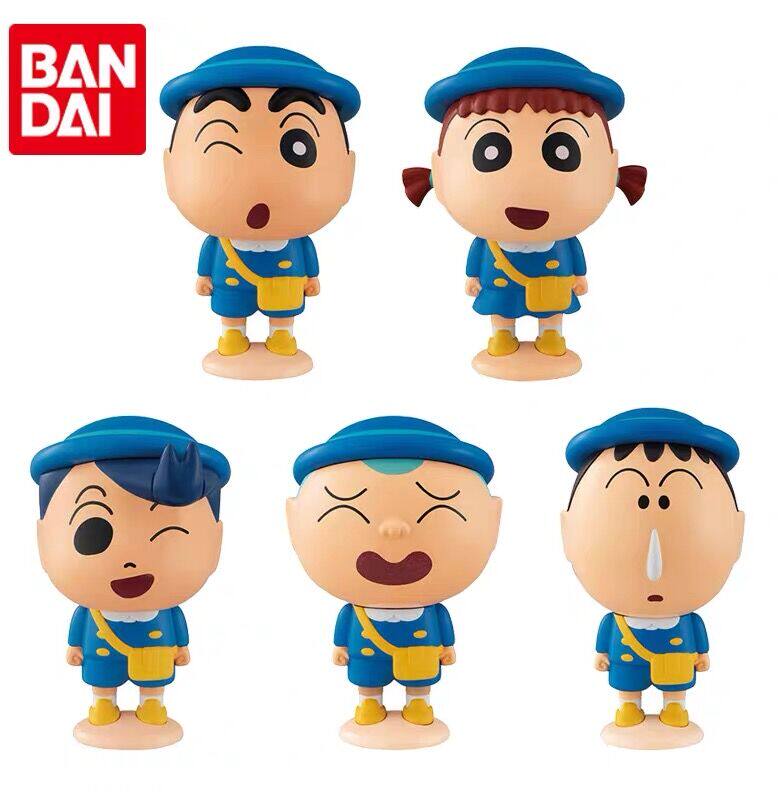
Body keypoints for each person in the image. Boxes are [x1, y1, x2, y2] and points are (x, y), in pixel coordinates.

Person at [403, 48, 646, 376]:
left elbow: (574, 253)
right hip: (501, 280)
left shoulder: (564, 240)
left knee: (552, 308)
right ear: (440, 172)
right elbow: (477, 254)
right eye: (490, 152)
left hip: (553, 278)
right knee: (502, 305)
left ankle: (551, 336)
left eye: (563, 152)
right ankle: (503, 336)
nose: (527, 181)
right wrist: (473, 276)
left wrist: (578, 276)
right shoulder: (487, 241)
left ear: (611, 170)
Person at [287, 416, 501, 745]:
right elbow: (345, 625)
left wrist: (447, 646)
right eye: (347, 508)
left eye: (439, 508)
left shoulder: (432, 609)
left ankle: (418, 704)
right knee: (367, 675)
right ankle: (370, 704)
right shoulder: (354, 610)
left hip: (421, 648)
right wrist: (341, 646)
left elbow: (443, 624)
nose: (394, 528)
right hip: (367, 648)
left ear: (493, 520)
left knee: (419, 677)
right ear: (294, 521)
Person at [31, 416, 230, 745]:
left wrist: (181, 645)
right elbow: (80, 624)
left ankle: (151, 707)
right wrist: (75, 645)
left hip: (155, 649)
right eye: (93, 533)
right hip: (102, 649)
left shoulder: (167, 609)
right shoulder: (90, 610)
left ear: (215, 542)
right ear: (43, 541)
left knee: (153, 680)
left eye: (169, 535)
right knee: (102, 677)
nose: (131, 560)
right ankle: (103, 706)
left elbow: (177, 623)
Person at [161, 46, 359, 375]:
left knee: (283, 310)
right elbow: (209, 252)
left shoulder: (298, 240)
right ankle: (233, 336)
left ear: (347, 173)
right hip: (231, 277)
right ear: (171, 171)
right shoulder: (218, 240)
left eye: (299, 147)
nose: (259, 173)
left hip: (285, 278)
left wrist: (311, 276)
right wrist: (204, 275)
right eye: (220, 150)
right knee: (231, 305)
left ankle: (281, 337)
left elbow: (307, 253)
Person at [562, 408, 743, 741]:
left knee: (675, 682)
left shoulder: (688, 620)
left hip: (677, 654)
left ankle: (674, 708)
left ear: (737, 532)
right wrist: (602, 652)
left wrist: (702, 653)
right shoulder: (615, 620)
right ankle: (629, 707)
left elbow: (698, 634)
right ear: (567, 532)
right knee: (628, 679)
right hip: (628, 654)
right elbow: (606, 635)